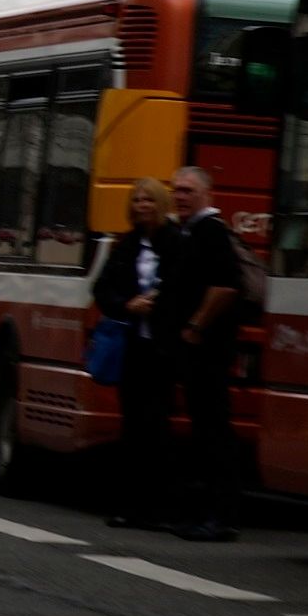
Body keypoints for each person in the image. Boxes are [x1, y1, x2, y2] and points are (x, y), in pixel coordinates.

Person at [155, 165, 248, 541]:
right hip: (194, 352)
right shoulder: (188, 231)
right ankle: (200, 513)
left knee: (214, 432)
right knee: (201, 430)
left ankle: (220, 516)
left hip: (209, 350)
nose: (180, 196)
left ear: (208, 195)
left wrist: (196, 325)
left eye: (188, 190)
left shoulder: (211, 232)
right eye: (176, 189)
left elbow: (226, 286)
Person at [96, 177, 175, 531]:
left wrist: (157, 303)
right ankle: (128, 506)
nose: (142, 205)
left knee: (157, 427)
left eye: (148, 200)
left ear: (160, 204)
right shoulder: (127, 245)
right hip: (132, 346)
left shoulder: (175, 242)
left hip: (161, 348)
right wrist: (127, 305)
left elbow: (185, 286)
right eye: (137, 200)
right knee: (131, 427)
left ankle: (158, 508)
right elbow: (102, 289)